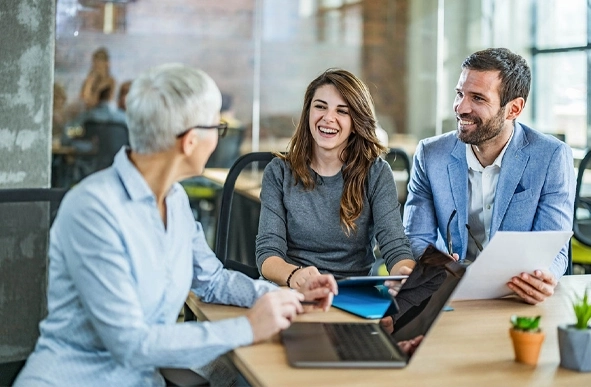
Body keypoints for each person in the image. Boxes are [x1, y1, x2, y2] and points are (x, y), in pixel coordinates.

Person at [14, 63, 337, 387]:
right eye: (216, 127)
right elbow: (131, 344)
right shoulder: (93, 211)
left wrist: (289, 296)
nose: (218, 138)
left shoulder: (175, 200)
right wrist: (248, 327)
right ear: (190, 141)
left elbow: (212, 281)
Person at [403, 48, 575, 305]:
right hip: (449, 293)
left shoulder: (550, 157)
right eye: (460, 94)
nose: (461, 108)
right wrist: (436, 265)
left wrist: (543, 277)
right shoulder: (431, 155)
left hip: (514, 295)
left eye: (478, 98)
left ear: (513, 109)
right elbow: (416, 236)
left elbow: (553, 245)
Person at [255, 68, 415, 291]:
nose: (328, 118)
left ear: (356, 121)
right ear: (308, 112)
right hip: (290, 290)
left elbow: (395, 247)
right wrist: (295, 276)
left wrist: (405, 276)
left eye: (342, 111)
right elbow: (267, 253)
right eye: (320, 106)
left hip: (351, 295)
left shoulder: (376, 173)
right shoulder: (279, 172)